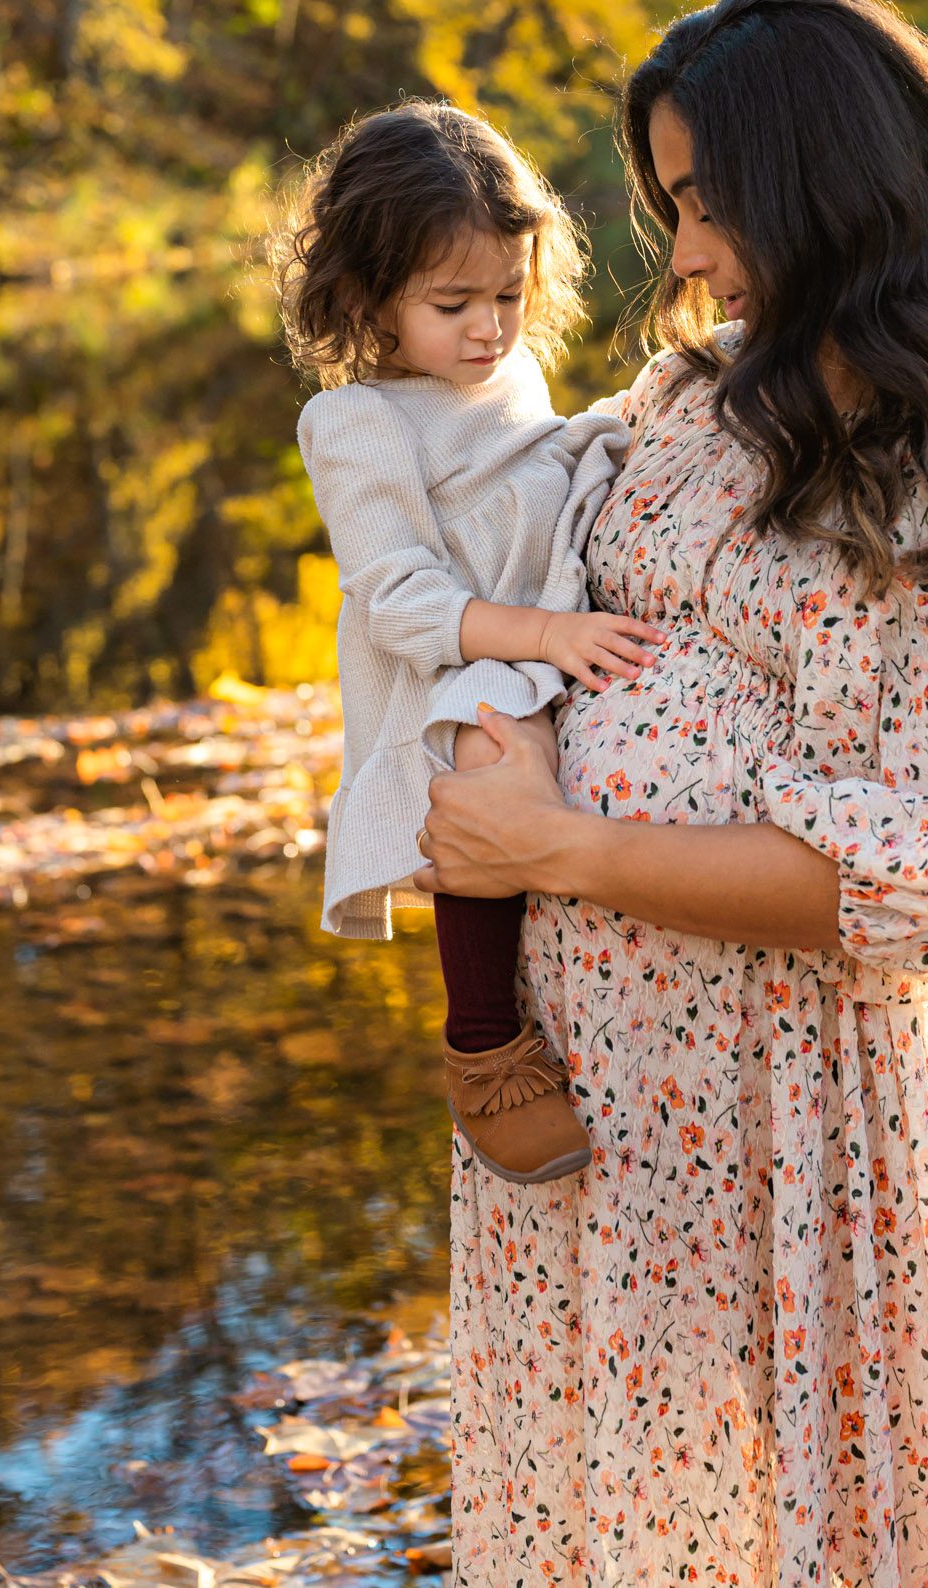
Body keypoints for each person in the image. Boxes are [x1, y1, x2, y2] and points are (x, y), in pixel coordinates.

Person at [414, 0, 928, 1587]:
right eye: (669, 205)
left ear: (818, 179)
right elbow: (503, 563)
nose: (677, 254)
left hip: (820, 1122)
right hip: (594, 1115)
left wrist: (565, 844)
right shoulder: (682, 405)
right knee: (628, 1525)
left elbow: (927, 880)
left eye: (702, 202)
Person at [277, 101, 664, 1183]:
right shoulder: (359, 423)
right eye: (453, 303)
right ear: (366, 298)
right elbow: (401, 601)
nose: (490, 327)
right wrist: (546, 633)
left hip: (537, 632)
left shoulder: (507, 376)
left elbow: (531, 476)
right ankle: (485, 1037)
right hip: (451, 669)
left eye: (507, 293)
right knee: (491, 771)